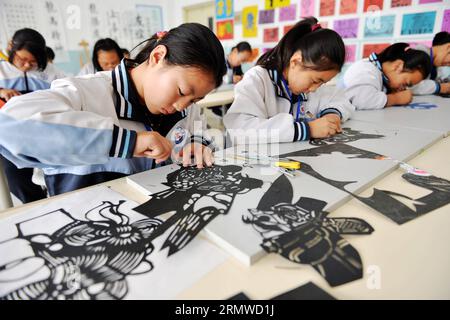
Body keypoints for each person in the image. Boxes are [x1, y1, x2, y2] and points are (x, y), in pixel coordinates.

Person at [0, 23, 227, 196]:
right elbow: (9, 124)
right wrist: (126, 141)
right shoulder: (86, 92)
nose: (182, 105)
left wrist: (198, 144)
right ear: (158, 57)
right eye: (180, 91)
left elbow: (199, 127)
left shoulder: (185, 108)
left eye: (194, 99)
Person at [224, 17, 354, 144]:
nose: (314, 89)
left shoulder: (311, 84)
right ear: (296, 61)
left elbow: (340, 99)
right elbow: (239, 129)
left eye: (322, 83)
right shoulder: (258, 79)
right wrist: (307, 129)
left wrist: (332, 115)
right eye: (315, 81)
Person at [0, 28, 62, 203]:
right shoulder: (1, 69)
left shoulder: (51, 72)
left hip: (44, 133)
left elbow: (68, 93)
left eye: (33, 62)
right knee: (17, 179)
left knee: (54, 175)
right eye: (22, 59)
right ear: (11, 47)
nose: (26, 66)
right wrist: (2, 91)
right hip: (10, 137)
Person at [342, 43, 431, 110]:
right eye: (406, 84)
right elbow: (361, 100)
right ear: (397, 66)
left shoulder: (382, 75)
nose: (404, 88)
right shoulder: (366, 70)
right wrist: (396, 98)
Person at [411, 31, 450, 95]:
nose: (448, 65)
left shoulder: (434, 66)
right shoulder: (420, 54)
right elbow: (410, 86)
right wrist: (440, 87)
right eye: (449, 62)